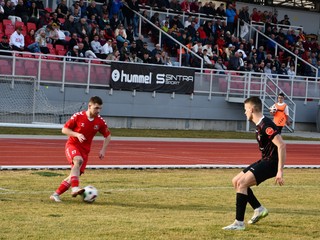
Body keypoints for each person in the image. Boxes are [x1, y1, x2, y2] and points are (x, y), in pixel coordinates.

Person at [223, 96, 286, 230]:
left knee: (242, 183)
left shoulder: (265, 125)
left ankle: (239, 223)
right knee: (236, 181)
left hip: (271, 163)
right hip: (265, 160)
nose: (244, 112)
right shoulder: (259, 125)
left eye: (245, 109)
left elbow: (281, 145)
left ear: (251, 109)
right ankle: (259, 209)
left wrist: (280, 170)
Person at [50, 96, 111, 202]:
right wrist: (76, 134)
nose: (98, 111)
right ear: (89, 106)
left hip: (85, 151)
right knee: (78, 161)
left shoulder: (100, 121)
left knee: (74, 174)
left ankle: (55, 194)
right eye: (96, 108)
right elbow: (64, 129)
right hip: (72, 145)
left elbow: (108, 136)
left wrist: (103, 150)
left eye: (100, 108)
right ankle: (75, 188)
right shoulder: (78, 116)